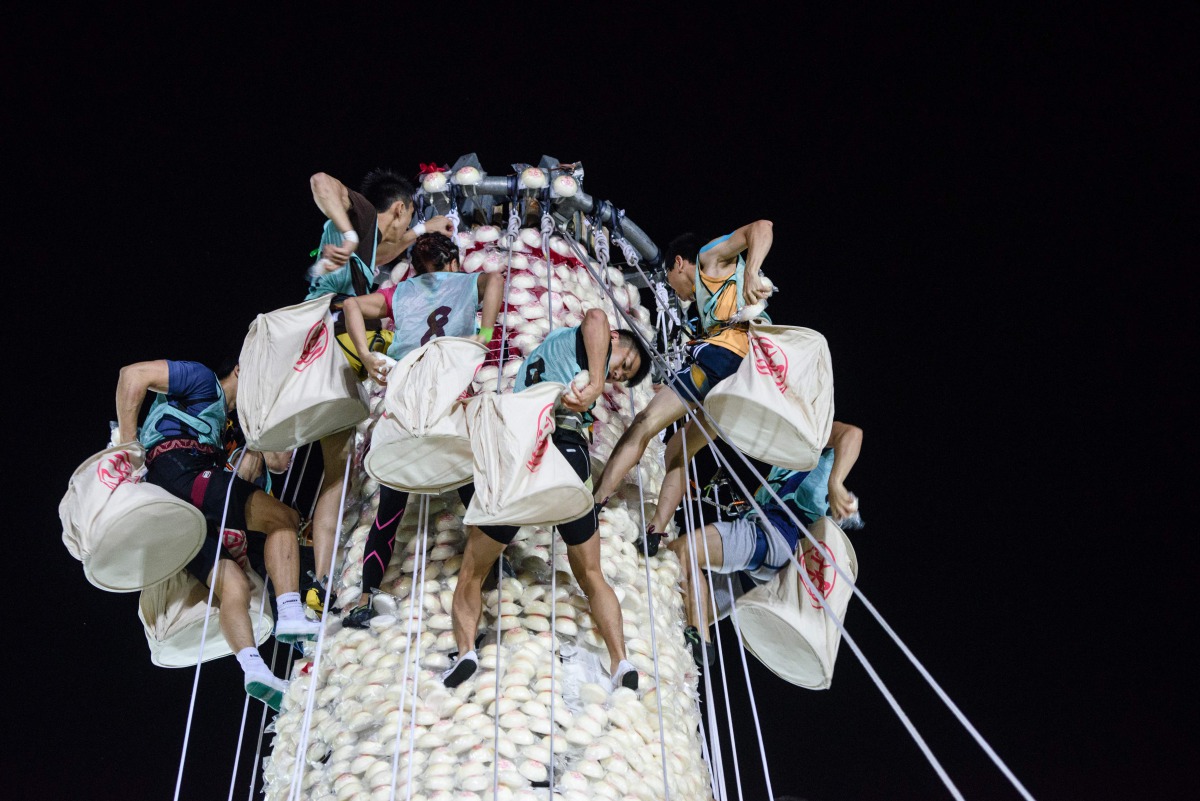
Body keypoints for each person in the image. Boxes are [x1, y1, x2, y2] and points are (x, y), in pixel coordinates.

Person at [444, 308, 651, 691]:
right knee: (591, 573)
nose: (618, 375)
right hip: (564, 454)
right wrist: (597, 380)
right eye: (626, 363)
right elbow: (595, 316)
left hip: (522, 459)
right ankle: (620, 660)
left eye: (623, 376)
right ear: (617, 338)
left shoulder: (542, 361)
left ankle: (466, 650)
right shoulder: (589, 345)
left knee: (473, 569)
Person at [114, 357, 322, 709]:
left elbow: (279, 462)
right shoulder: (200, 379)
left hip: (182, 517)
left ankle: (255, 669)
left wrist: (267, 415)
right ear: (241, 369)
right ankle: (290, 612)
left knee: (234, 586)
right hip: (177, 468)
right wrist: (128, 445)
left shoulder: (233, 430)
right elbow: (131, 374)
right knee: (282, 519)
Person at [302, 169, 454, 614]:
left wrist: (424, 232)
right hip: (325, 346)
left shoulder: (373, 252)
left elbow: (390, 248)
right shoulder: (364, 215)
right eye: (408, 220)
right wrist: (348, 233)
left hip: (333, 364)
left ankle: (323, 583)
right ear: (400, 207)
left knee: (335, 476)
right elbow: (321, 181)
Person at [336, 231, 503, 628]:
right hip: (447, 392)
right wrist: (483, 334)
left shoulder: (401, 292)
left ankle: (365, 596)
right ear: (452, 262)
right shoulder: (465, 281)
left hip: (407, 397)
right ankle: (495, 572)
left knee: (390, 505)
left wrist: (364, 353)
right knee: (472, 487)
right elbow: (495, 280)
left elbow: (350, 306)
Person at [591, 221, 775, 547]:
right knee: (678, 450)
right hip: (746, 383)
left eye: (671, 281)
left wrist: (751, 272)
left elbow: (762, 227)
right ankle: (656, 532)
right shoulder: (706, 311)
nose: (674, 291)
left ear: (678, 263)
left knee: (644, 423)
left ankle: (595, 502)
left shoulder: (708, 259)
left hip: (724, 362)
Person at [666, 421, 862, 668]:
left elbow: (852, 434)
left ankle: (703, 642)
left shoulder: (816, 437)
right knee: (679, 608)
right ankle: (693, 641)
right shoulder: (782, 469)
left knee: (682, 551)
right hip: (765, 572)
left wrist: (836, 482)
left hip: (774, 537)